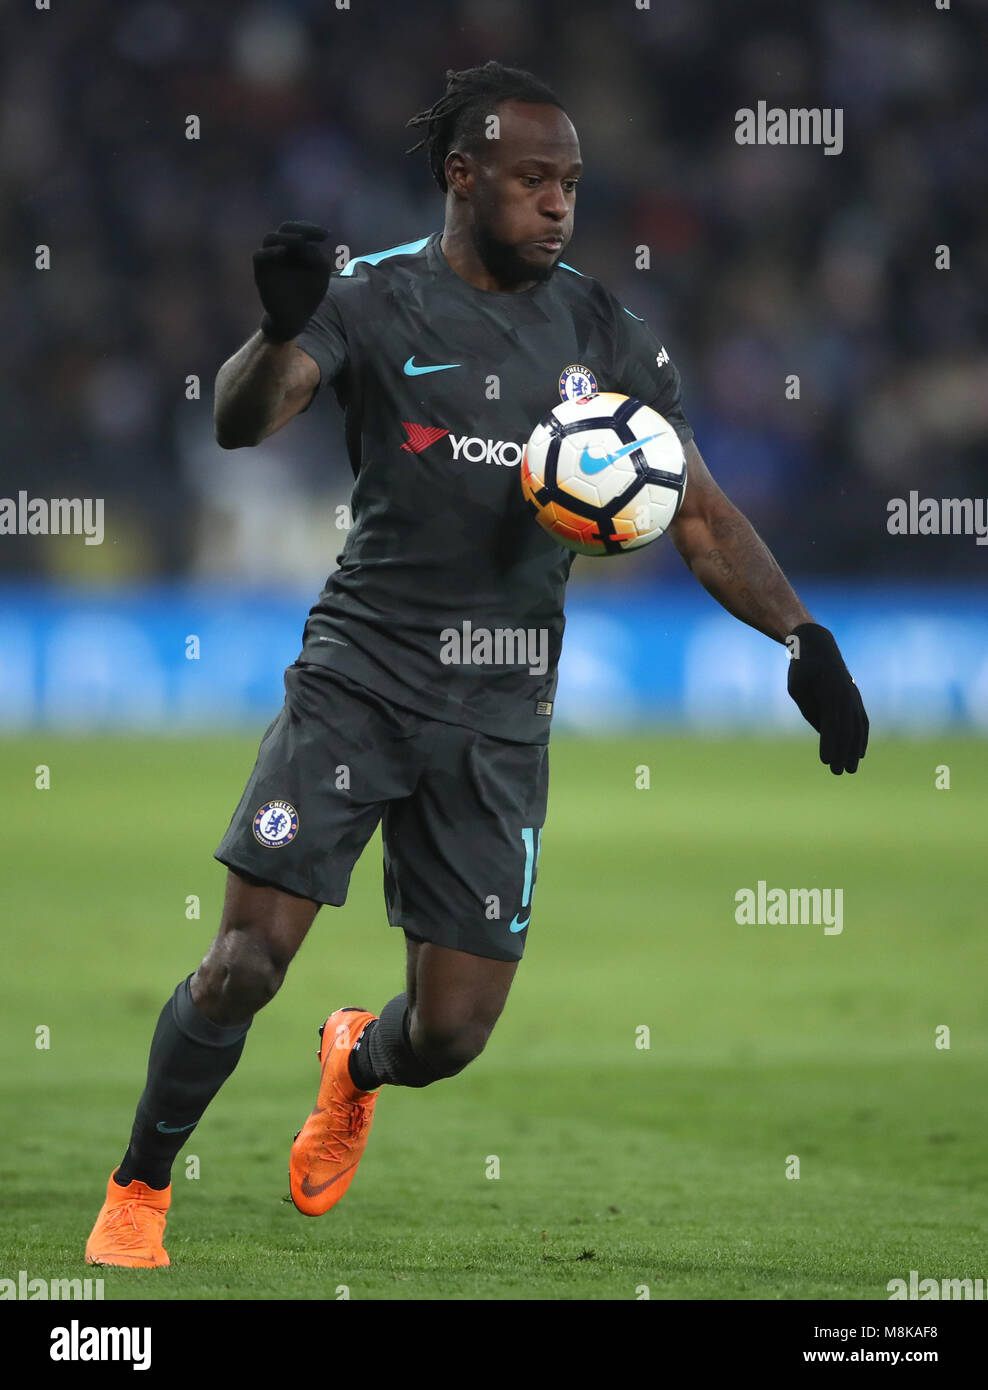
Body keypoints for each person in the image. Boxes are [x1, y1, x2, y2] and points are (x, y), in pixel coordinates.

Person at [85, 60, 868, 1268]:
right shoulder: (370, 298)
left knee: (450, 1036)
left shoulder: (601, 328)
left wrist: (803, 638)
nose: (559, 205)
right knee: (245, 961)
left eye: (571, 184)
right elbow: (244, 419)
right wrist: (279, 324)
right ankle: (139, 1183)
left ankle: (355, 1061)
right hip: (359, 677)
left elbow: (697, 511)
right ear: (464, 177)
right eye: (533, 180)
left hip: (501, 710)